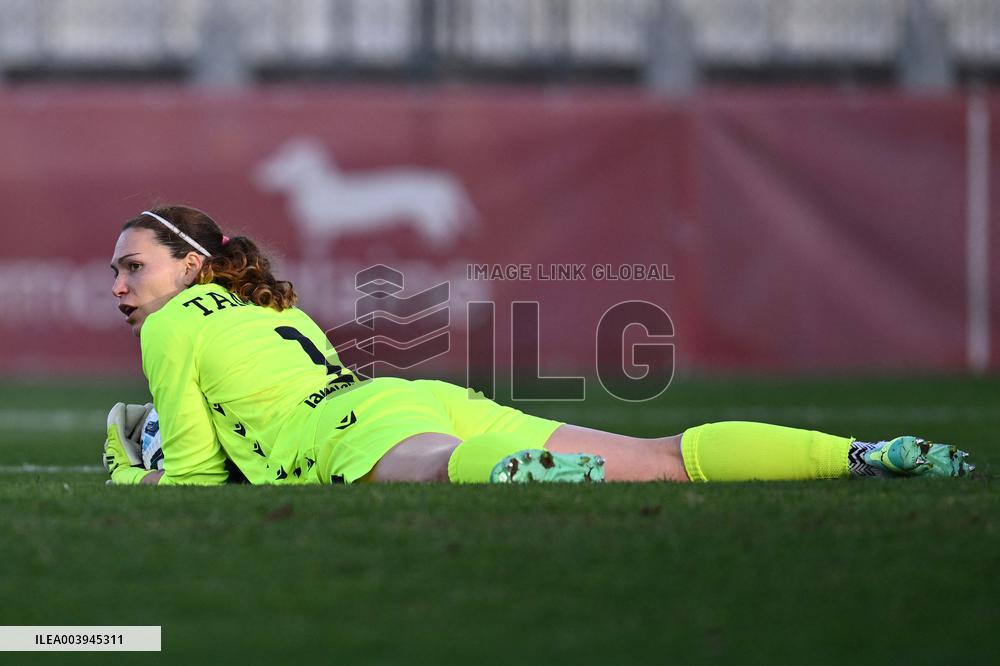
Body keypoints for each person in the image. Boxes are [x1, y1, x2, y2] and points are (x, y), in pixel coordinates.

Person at [103, 205, 975, 486]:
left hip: (342, 430)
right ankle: (869, 452)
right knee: (663, 459)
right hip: (413, 394)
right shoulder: (274, 307)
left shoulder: (174, 324)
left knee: (445, 469)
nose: (118, 288)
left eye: (132, 268)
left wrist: (123, 467)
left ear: (190, 265)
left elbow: (193, 476)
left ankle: (518, 475)